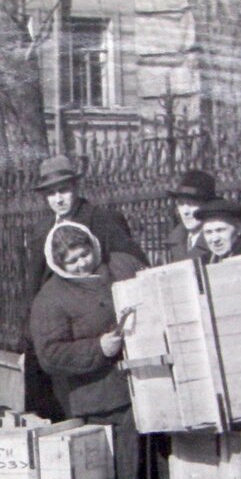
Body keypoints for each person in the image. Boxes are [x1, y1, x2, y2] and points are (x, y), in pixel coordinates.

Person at [28, 222, 151, 479]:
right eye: (72, 260)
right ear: (57, 263)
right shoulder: (51, 299)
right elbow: (50, 354)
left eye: (84, 254)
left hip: (138, 386)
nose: (82, 264)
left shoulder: (120, 266)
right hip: (97, 400)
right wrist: (98, 347)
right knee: (114, 477)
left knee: (141, 471)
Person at [23, 155, 148, 421]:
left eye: (64, 190)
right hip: (53, 330)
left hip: (95, 333)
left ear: (76, 188)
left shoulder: (101, 220)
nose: (59, 199)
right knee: (54, 414)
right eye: (51, 193)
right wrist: (25, 343)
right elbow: (32, 285)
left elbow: (133, 268)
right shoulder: (43, 229)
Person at [163, 170, 217, 264]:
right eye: (181, 204)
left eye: (192, 204)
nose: (185, 212)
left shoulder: (217, 242)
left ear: (208, 206)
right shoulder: (173, 243)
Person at [193, 199, 241, 263]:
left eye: (220, 230)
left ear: (238, 229)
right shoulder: (205, 261)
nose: (215, 239)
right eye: (208, 232)